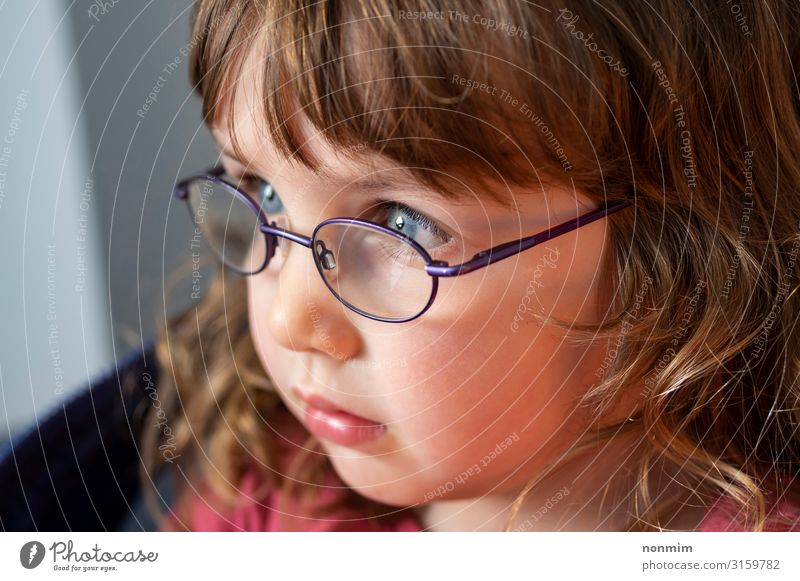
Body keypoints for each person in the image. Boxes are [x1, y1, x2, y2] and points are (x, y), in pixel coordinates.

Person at [4, 0, 799, 532]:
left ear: (674, 271)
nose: (290, 319)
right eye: (265, 195)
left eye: (402, 222)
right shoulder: (272, 478)